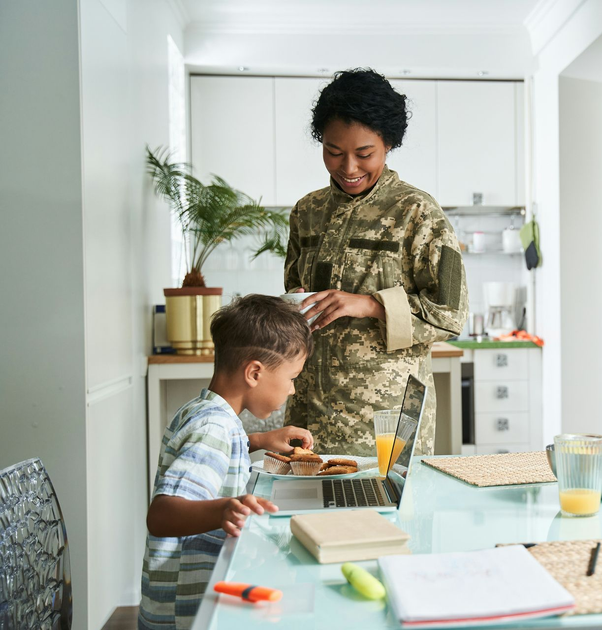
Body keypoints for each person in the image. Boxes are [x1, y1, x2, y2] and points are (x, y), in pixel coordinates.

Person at [284, 68, 468, 457]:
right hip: (307, 410)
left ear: (387, 144)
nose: (348, 168)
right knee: (309, 515)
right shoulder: (307, 212)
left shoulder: (418, 213)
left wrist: (370, 304)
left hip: (386, 420)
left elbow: (450, 315)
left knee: (385, 516)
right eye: (334, 152)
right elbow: (294, 296)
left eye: (364, 154)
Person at [138, 294, 314, 630]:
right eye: (292, 377)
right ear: (254, 373)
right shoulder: (213, 427)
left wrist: (258, 441)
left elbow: (209, 457)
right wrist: (223, 510)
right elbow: (161, 515)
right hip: (185, 615)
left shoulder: (205, 413)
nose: (292, 390)